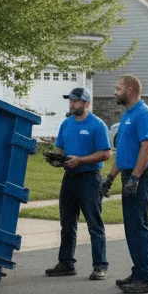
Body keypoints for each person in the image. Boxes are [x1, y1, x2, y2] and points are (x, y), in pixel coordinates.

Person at [45, 87, 112, 280]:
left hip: (90, 179)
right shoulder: (66, 124)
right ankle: (66, 263)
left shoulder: (97, 125)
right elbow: (60, 148)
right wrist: (57, 159)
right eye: (70, 101)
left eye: (75, 101)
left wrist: (80, 160)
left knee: (94, 223)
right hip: (69, 179)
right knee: (67, 223)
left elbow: (106, 153)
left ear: (86, 104)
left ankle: (100, 266)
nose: (71, 104)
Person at [104, 74, 148, 294]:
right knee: (131, 228)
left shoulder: (144, 114)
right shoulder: (128, 115)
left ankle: (146, 278)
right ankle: (138, 272)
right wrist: (110, 178)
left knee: (139, 226)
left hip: (142, 178)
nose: (114, 92)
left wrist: (135, 177)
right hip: (129, 175)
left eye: (117, 88)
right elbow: (124, 153)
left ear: (129, 90)